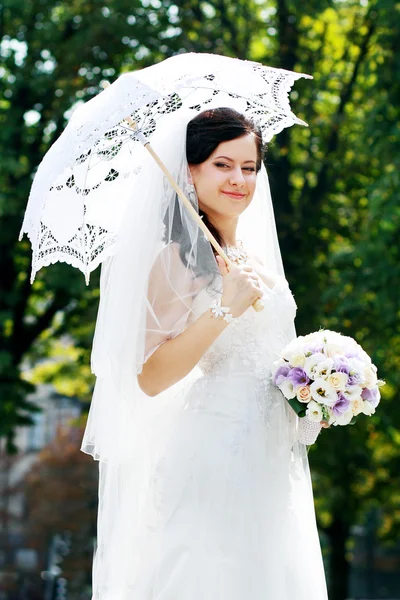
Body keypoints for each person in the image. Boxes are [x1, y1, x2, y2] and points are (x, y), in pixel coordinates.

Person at [82, 107, 329, 599]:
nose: (239, 178)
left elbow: (268, 359)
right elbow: (149, 377)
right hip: (216, 447)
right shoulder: (177, 259)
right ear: (189, 171)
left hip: (272, 456)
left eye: (249, 167)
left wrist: (314, 398)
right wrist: (224, 311)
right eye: (222, 164)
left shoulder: (253, 261)